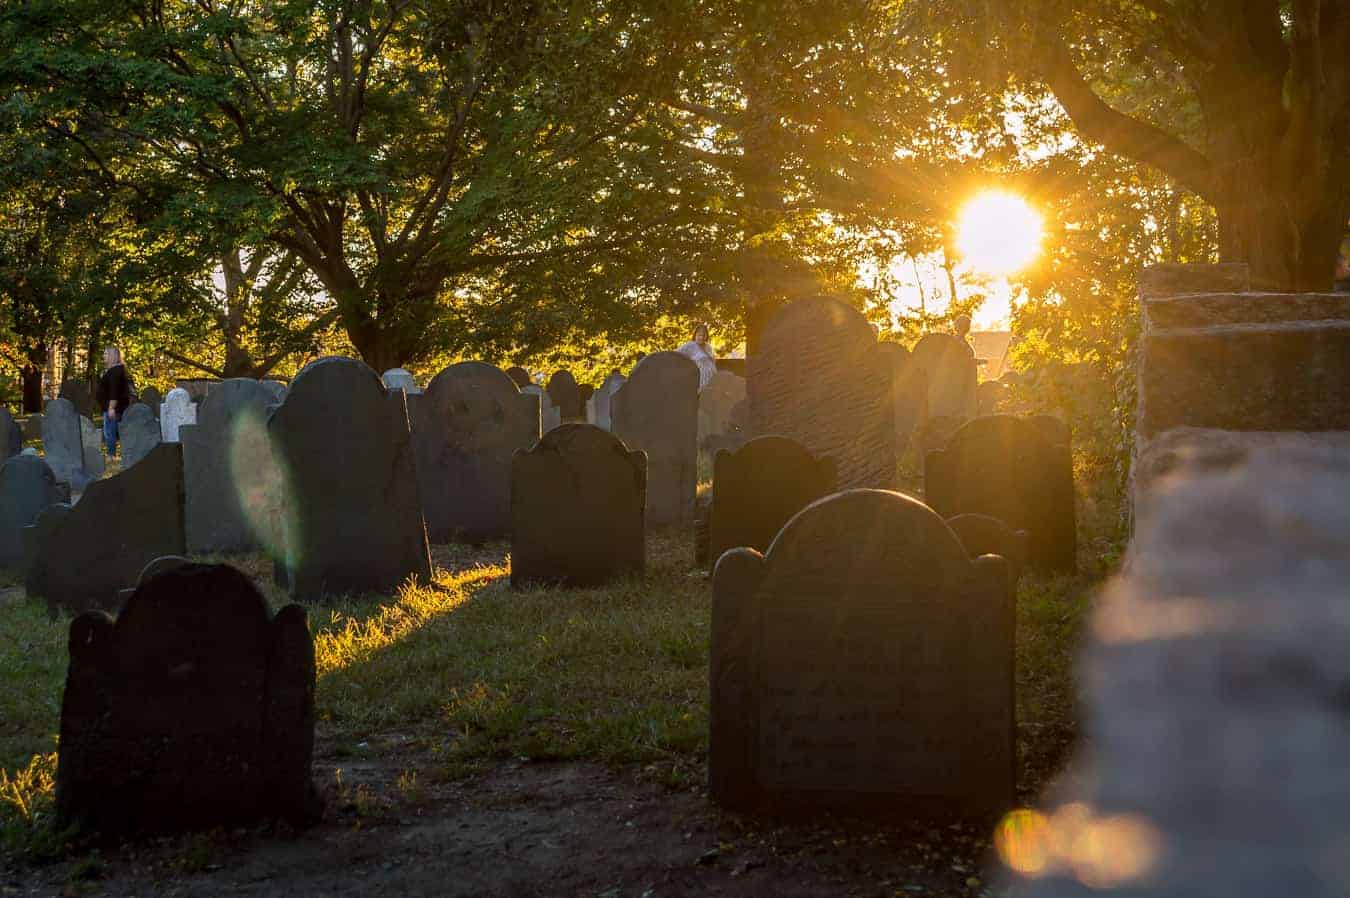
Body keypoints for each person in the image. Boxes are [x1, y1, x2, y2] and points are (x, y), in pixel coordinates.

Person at [96, 347, 133, 458]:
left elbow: (114, 390)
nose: (104, 356)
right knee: (112, 432)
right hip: (114, 407)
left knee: (110, 433)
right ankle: (115, 454)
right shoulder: (117, 370)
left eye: (106, 354)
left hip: (114, 408)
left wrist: (111, 408)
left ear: (114, 356)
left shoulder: (115, 371)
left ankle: (111, 455)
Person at [676, 323, 717, 391]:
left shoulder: (708, 347)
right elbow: (676, 354)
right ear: (695, 335)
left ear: (707, 336)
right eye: (699, 335)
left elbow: (712, 362)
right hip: (700, 382)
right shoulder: (690, 345)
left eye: (704, 335)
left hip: (713, 380)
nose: (701, 337)